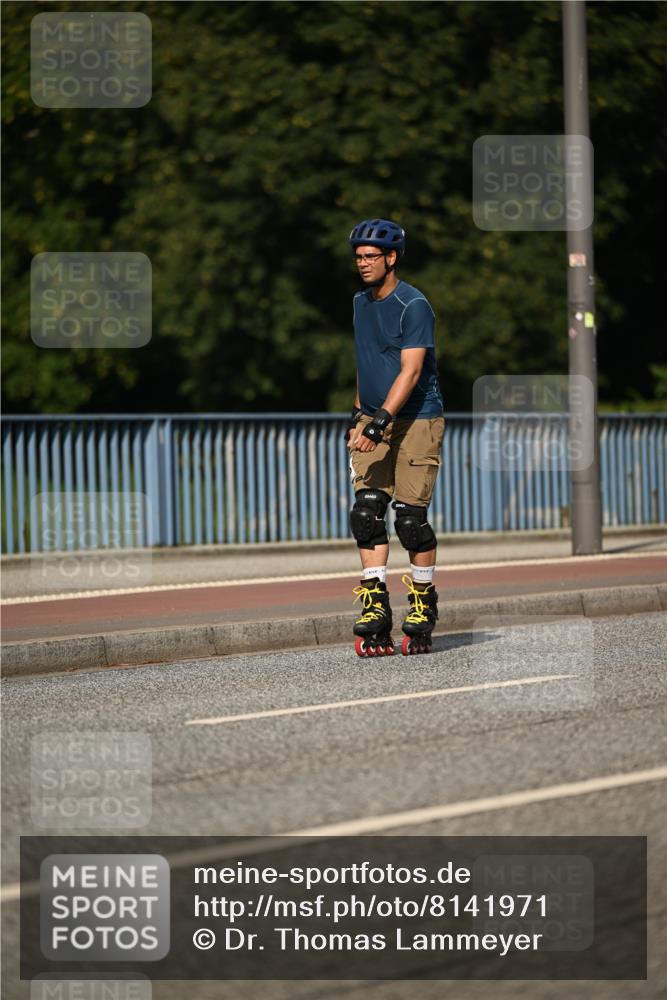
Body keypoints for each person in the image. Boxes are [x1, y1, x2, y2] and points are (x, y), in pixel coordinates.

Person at [345, 218, 445, 656]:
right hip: (372, 416)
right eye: (359, 257)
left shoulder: (413, 305)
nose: (363, 263)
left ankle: (422, 604)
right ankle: (376, 607)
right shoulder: (359, 303)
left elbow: (411, 370)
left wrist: (378, 423)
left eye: (371, 257)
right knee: (366, 513)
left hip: (417, 419)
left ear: (391, 258)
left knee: (410, 520)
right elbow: (366, 362)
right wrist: (357, 414)